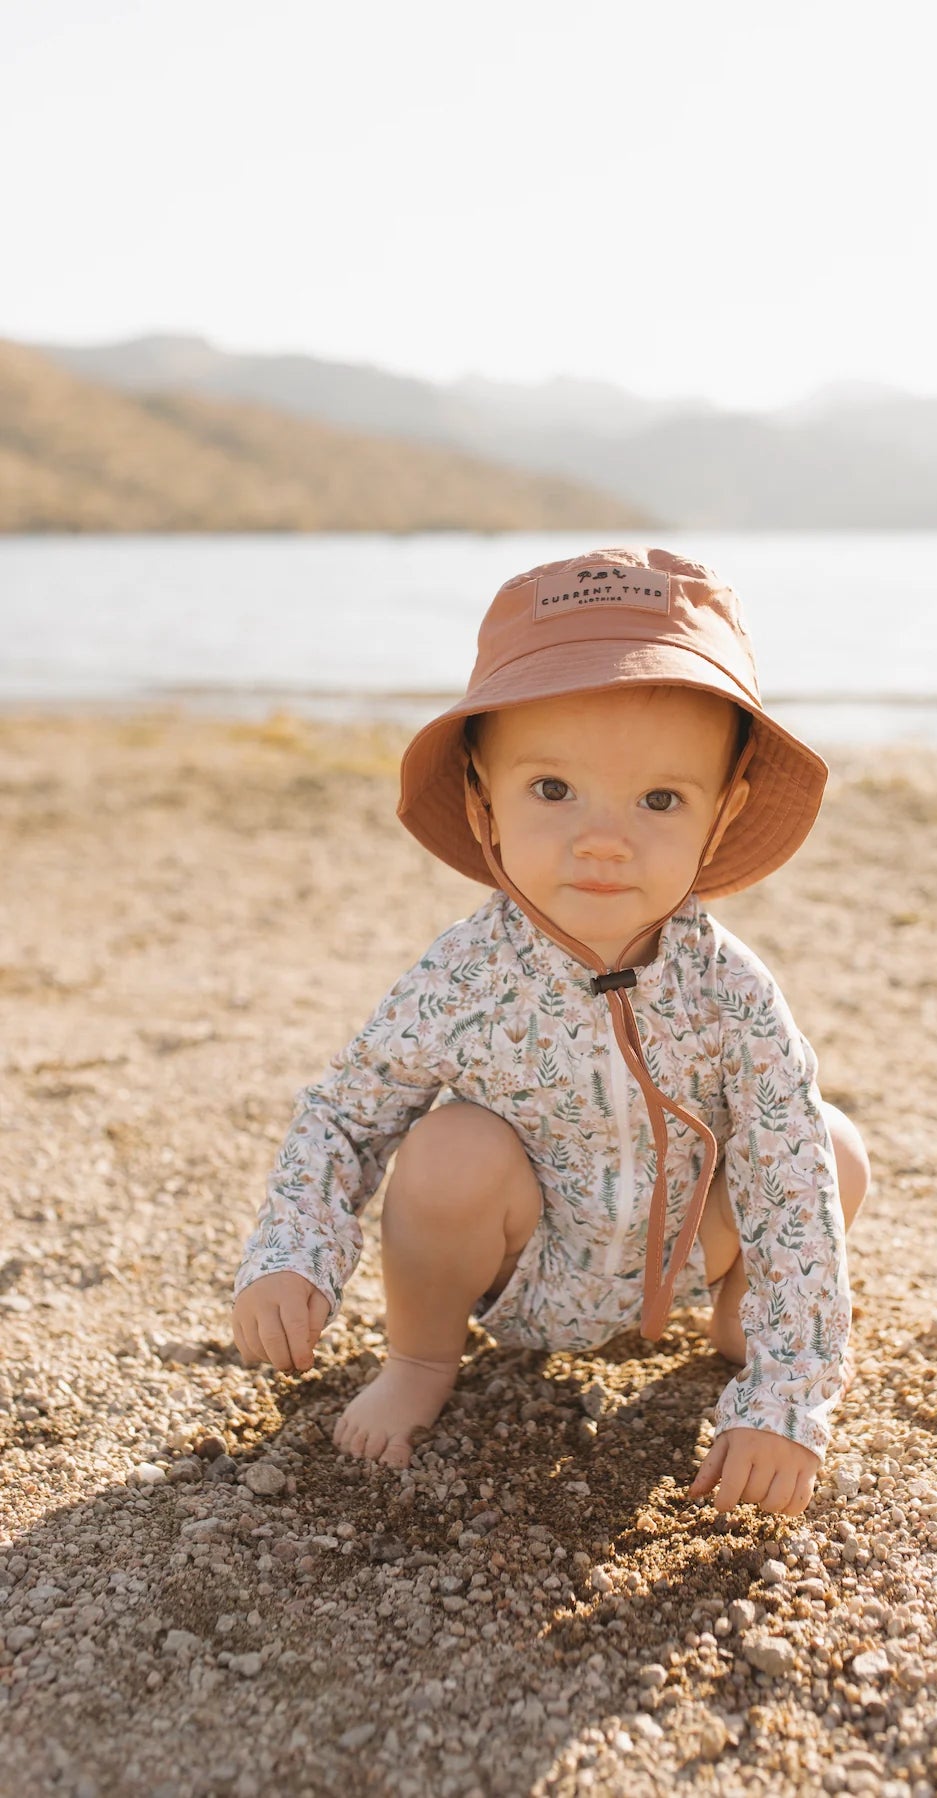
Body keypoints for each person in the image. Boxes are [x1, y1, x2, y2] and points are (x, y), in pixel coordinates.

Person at [231, 548, 870, 1517]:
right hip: (526, 1275)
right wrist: (292, 1252)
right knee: (449, 1146)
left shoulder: (729, 990)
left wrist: (785, 1394)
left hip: (685, 1256)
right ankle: (419, 1359)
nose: (602, 838)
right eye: (552, 790)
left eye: (659, 800)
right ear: (483, 802)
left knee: (827, 1144)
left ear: (721, 813)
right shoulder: (462, 978)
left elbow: (786, 1182)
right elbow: (344, 1118)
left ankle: (742, 1329)